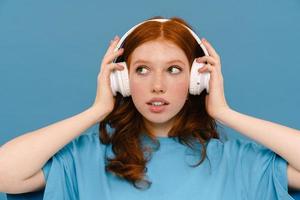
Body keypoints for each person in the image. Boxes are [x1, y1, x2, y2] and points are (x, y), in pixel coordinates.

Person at [0, 16, 299, 199]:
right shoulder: (84, 158)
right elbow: (5, 174)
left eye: (174, 69)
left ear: (198, 79)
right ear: (122, 80)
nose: (158, 85)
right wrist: (96, 110)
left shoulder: (240, 163)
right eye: (142, 69)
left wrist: (225, 113)